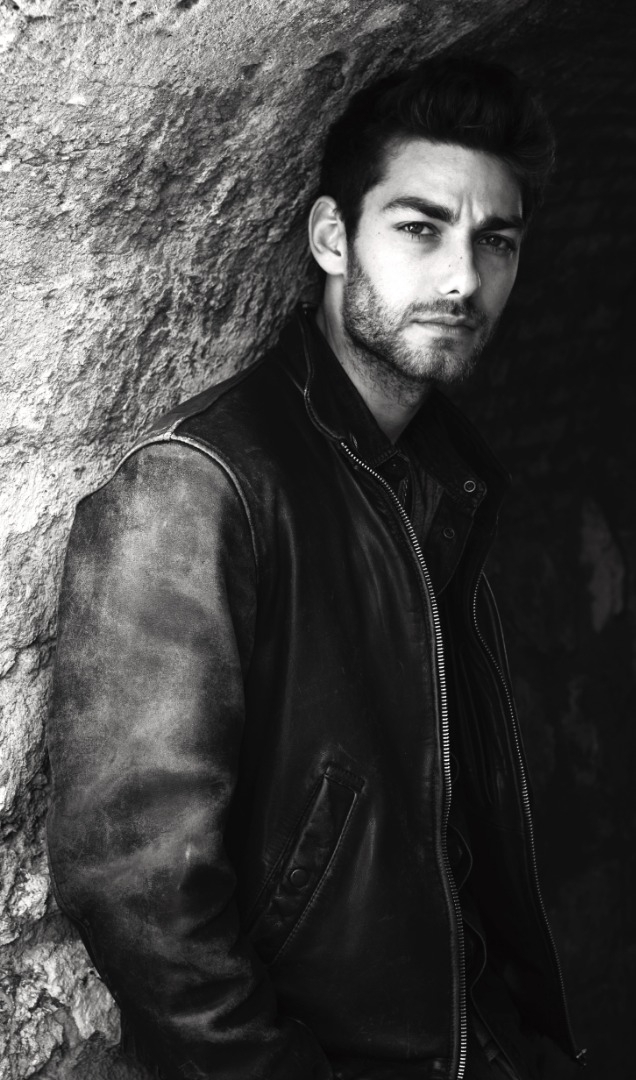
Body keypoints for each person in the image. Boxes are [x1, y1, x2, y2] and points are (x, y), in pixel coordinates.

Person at [46, 56, 585, 1080]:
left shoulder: (447, 478)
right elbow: (134, 883)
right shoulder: (202, 485)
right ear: (333, 238)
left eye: (497, 241)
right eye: (420, 229)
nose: (463, 279)